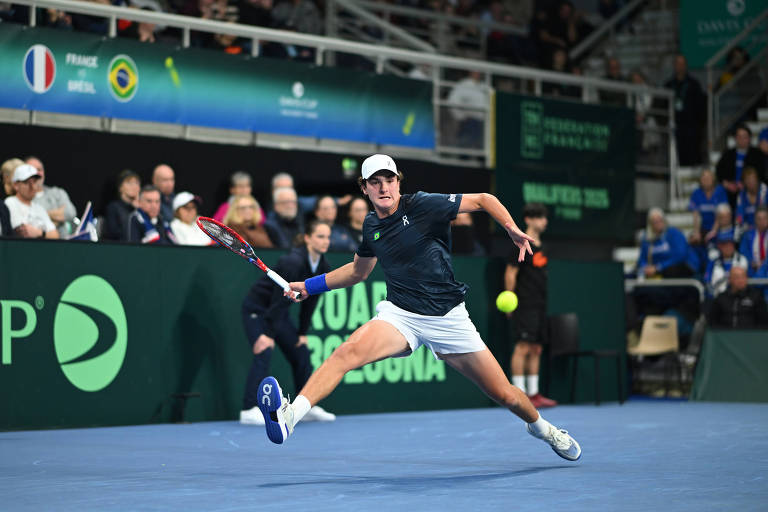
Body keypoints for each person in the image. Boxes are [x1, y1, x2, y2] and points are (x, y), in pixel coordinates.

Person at [255, 154, 582, 462]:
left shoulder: (424, 204)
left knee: (507, 396)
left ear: (399, 182)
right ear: (364, 188)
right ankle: (289, 418)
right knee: (346, 353)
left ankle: (545, 430)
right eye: (375, 182)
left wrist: (510, 228)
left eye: (389, 179)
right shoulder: (371, 226)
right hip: (401, 315)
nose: (384, 187)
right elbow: (358, 272)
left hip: (448, 317)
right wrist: (309, 287)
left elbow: (484, 199)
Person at [240, 220, 336, 425]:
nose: (325, 241)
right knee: (264, 350)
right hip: (258, 309)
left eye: (328, 236)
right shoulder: (292, 262)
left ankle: (305, 407)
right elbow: (277, 301)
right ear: (308, 238)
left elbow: (311, 302)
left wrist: (302, 332)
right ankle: (248, 409)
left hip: (278, 313)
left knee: (300, 352)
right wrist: (267, 333)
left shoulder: (323, 266)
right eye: (320, 236)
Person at [505, 203, 556, 409]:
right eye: (540, 217)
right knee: (523, 347)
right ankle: (519, 394)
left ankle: (533, 394)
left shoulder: (542, 247)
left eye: (545, 217)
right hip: (523, 304)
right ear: (528, 219)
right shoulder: (519, 243)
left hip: (540, 304)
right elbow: (510, 273)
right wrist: (510, 300)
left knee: (536, 348)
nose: (544, 221)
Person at [665, 55, 705, 166]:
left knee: (693, 154)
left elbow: (701, 107)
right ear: (674, 66)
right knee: (676, 155)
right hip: (675, 127)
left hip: (691, 127)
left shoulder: (694, 84)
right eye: (677, 64)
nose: (680, 66)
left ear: (686, 66)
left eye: (682, 64)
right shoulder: (669, 85)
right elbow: (662, 106)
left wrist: (699, 126)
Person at [716, 124, 766, 212]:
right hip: (730, 192)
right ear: (735, 138)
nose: (742, 140)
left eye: (745, 137)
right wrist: (727, 184)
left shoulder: (758, 154)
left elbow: (762, 174)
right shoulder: (728, 154)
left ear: (749, 138)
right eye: (739, 137)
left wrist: (747, 185)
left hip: (753, 192)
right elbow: (719, 172)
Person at [4, 164, 59, 239]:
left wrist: (38, 232)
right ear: (16, 185)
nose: (32, 187)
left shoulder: (39, 208)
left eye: (34, 182)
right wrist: (44, 233)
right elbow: (23, 232)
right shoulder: (10, 203)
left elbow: (55, 235)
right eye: (26, 182)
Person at [26, 156, 77, 238]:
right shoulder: (25, 198)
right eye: (33, 170)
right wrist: (57, 214)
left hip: (63, 242)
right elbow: (29, 225)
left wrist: (42, 216)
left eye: (39, 170)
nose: (37, 174)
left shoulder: (57, 192)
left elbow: (70, 213)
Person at [636, 208, 692, 279]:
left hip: (675, 269)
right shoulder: (647, 238)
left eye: (660, 220)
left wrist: (659, 267)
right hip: (654, 271)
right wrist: (645, 267)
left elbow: (680, 256)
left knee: (672, 271)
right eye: (655, 222)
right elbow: (642, 259)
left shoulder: (674, 233)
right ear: (650, 224)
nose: (658, 223)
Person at [447, 70, 488, 149]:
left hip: (484, 122)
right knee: (465, 145)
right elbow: (453, 101)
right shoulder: (463, 84)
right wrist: (460, 116)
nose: (477, 74)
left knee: (482, 147)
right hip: (469, 121)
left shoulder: (484, 86)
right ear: (471, 72)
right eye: (475, 71)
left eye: (479, 71)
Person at [704, 231, 748, 297]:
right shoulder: (713, 262)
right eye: (724, 245)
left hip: (737, 296)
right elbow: (707, 281)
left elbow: (743, 280)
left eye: (730, 244)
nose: (728, 247)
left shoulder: (742, 260)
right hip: (717, 297)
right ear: (719, 246)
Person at [104, 169, 141, 241]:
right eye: (129, 183)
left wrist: (139, 210)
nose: (134, 186)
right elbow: (113, 233)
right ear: (120, 187)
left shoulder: (142, 209)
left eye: (137, 183)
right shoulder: (114, 207)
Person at [735, 167, 767, 231]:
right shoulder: (741, 196)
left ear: (757, 179)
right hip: (748, 230)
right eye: (748, 179)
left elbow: (764, 212)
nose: (751, 182)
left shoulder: (764, 191)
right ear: (744, 182)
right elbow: (739, 216)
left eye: (753, 179)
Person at [739, 206, 768, 277]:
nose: (762, 221)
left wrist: (764, 264)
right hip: (752, 271)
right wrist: (752, 262)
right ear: (755, 220)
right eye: (759, 219)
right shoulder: (747, 235)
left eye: (765, 218)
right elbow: (743, 252)